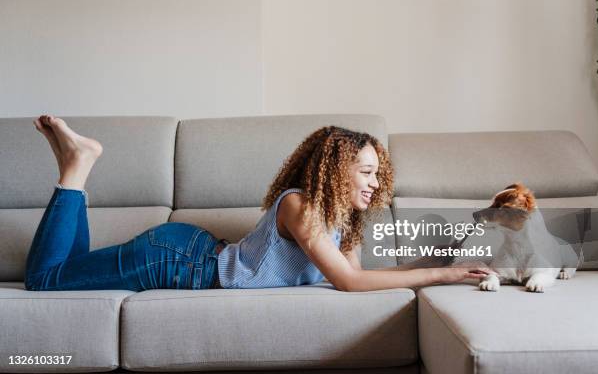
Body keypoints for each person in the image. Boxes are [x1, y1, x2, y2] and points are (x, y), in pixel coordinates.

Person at [25, 115, 494, 292]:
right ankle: (77, 166)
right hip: (177, 262)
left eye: (378, 174)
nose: (375, 185)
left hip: (191, 252)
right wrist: (441, 275)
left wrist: (443, 262)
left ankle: (76, 170)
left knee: (72, 271)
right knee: (45, 281)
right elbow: (348, 282)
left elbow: (364, 274)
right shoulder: (301, 205)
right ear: (334, 171)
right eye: (366, 173)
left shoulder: (335, 219)